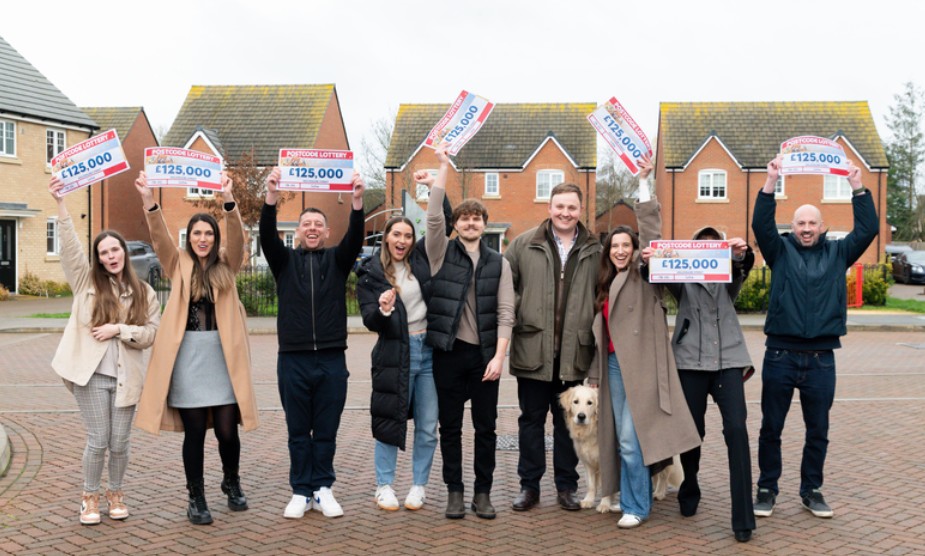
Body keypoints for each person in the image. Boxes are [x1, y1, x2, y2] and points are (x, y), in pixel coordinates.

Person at [751, 156, 878, 519]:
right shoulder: (779, 251)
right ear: (792, 227)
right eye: (800, 223)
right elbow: (761, 224)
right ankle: (766, 488)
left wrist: (857, 186)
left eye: (812, 223)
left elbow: (867, 228)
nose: (806, 228)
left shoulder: (839, 252)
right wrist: (771, 181)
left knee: (817, 430)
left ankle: (812, 490)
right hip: (780, 355)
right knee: (771, 428)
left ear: (823, 227)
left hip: (822, 358)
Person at [134, 172, 258, 525]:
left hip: (221, 357)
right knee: (193, 434)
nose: (203, 238)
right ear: (190, 239)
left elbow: (236, 238)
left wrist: (228, 199)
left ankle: (231, 480)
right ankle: (196, 496)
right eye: (197, 234)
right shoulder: (177, 263)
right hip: (188, 358)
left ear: (214, 237)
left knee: (226, 430)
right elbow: (159, 238)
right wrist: (148, 201)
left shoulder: (227, 265)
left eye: (208, 233)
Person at [589, 156, 701, 529]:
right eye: (614, 246)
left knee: (628, 438)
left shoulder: (645, 272)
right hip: (614, 368)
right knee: (620, 439)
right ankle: (631, 496)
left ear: (636, 249)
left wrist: (643, 183)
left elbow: (652, 231)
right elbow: (602, 335)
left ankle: (636, 506)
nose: (620, 250)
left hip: (643, 370)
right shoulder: (606, 284)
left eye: (627, 245)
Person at [48, 177, 160, 526]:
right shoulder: (86, 282)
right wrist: (61, 204)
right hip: (91, 376)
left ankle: (116, 493)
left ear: (124, 253)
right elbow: (69, 249)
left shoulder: (144, 292)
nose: (110, 256)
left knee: (120, 441)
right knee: (99, 440)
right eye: (104, 252)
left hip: (127, 379)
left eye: (115, 250)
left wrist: (119, 330)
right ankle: (89, 497)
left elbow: (150, 334)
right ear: (98, 259)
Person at [261, 167, 365, 519]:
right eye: (306, 224)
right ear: (298, 231)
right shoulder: (283, 262)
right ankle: (300, 491)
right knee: (296, 431)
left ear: (327, 231)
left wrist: (357, 202)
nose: (312, 229)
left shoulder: (338, 260)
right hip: (293, 359)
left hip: (332, 360)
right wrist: (271, 198)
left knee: (326, 429)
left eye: (318, 224)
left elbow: (356, 237)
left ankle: (322, 488)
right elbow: (265, 236)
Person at [421, 143, 515, 519]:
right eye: (465, 218)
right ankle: (455, 492)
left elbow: (507, 311)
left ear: (484, 224)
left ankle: (483, 493)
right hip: (449, 352)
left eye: (477, 218)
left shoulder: (499, 262)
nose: (471, 223)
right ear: (456, 224)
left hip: (485, 357)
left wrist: (498, 357)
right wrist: (442, 170)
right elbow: (431, 218)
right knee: (451, 429)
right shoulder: (440, 252)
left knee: (486, 429)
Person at [504, 181, 602, 512]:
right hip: (533, 350)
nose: (565, 213)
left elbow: (603, 298)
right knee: (530, 421)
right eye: (559, 206)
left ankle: (566, 487)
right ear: (549, 208)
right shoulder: (522, 244)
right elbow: (506, 289)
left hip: (576, 352)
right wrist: (524, 308)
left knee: (567, 424)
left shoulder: (595, 249)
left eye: (572, 207)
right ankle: (529, 487)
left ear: (580, 210)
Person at [664, 227, 756, 542]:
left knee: (737, 431)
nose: (706, 250)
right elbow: (656, 276)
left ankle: (743, 517)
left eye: (712, 245)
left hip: (728, 359)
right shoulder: (682, 278)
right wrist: (650, 261)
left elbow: (743, 266)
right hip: (689, 361)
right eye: (700, 245)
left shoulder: (728, 274)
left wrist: (741, 255)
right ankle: (689, 484)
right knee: (692, 433)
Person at [356, 217, 438, 511]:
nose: (402, 240)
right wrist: (383, 310)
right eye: (396, 234)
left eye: (407, 235)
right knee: (389, 422)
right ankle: (384, 486)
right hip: (393, 354)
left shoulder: (423, 263)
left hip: (428, 351)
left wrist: (436, 180)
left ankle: (419, 486)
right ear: (386, 238)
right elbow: (369, 320)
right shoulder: (370, 272)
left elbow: (443, 221)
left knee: (428, 427)